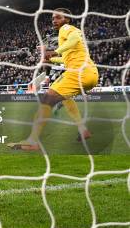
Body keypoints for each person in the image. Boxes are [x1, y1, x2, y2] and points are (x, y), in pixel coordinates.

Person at [8, 9, 98, 151]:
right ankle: (83, 129)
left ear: (67, 19)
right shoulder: (67, 37)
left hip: (79, 73)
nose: (54, 20)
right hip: (90, 74)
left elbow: (75, 39)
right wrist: (51, 59)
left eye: (58, 17)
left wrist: (55, 51)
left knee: (46, 100)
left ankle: (32, 141)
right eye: (52, 19)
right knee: (66, 98)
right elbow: (66, 58)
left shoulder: (66, 28)